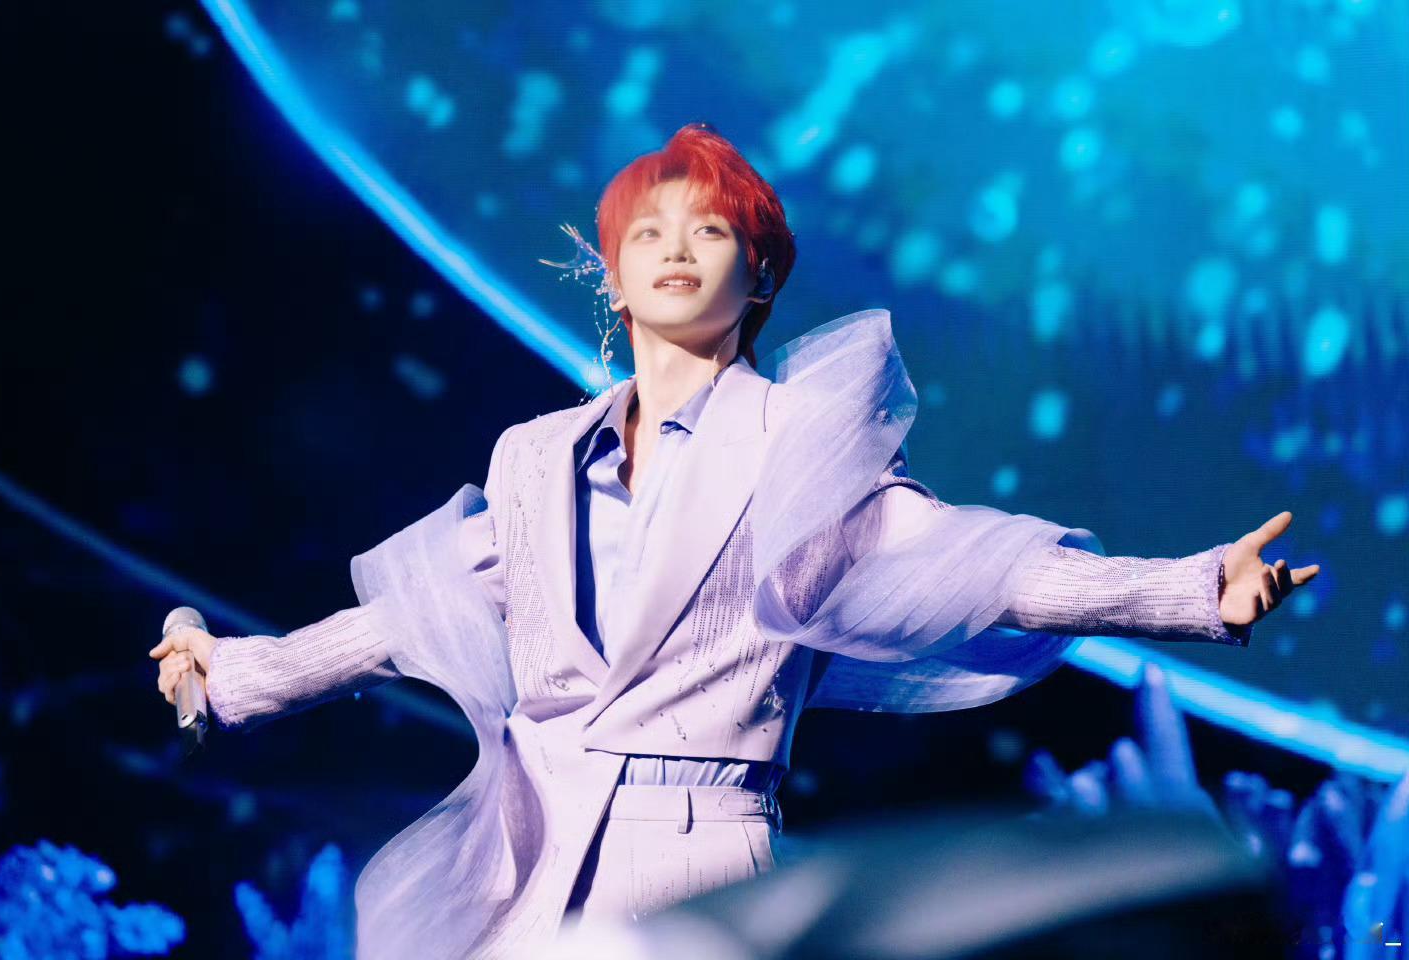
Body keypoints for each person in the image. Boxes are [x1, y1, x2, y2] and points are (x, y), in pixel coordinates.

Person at [148, 123, 1319, 959]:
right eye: (648, 230)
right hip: (529, 866)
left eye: (708, 229)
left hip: (699, 861)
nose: (675, 247)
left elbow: (973, 563)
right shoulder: (534, 457)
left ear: (756, 272)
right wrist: (231, 674)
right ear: (611, 272)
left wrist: (1184, 589)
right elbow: (409, 614)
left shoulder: (793, 449)